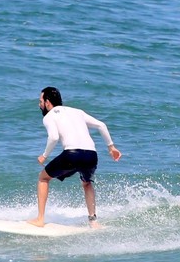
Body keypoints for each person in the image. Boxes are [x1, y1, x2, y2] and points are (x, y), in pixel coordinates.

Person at [28, 87, 122, 228]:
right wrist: (111, 147)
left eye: (40, 101)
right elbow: (101, 125)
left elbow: (53, 137)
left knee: (43, 178)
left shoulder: (49, 116)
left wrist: (44, 155)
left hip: (72, 155)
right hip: (91, 155)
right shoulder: (78, 112)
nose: (39, 104)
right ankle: (93, 221)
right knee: (87, 183)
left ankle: (40, 219)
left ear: (47, 102)